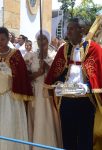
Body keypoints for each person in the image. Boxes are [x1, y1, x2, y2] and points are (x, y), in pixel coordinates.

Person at [44, 18, 102, 150]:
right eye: (67, 29)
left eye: (71, 29)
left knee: (84, 138)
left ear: (82, 30)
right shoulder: (63, 49)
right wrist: (57, 85)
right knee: (68, 138)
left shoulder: (95, 48)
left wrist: (88, 87)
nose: (67, 32)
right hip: (66, 101)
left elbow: (98, 75)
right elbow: (56, 72)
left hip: (85, 101)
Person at [27, 30, 62, 150]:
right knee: (35, 119)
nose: (41, 42)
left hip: (48, 93)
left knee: (46, 118)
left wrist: (47, 66)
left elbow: (58, 76)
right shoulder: (31, 56)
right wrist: (37, 74)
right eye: (39, 39)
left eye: (44, 39)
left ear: (48, 40)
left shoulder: (55, 55)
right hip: (35, 91)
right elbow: (26, 76)